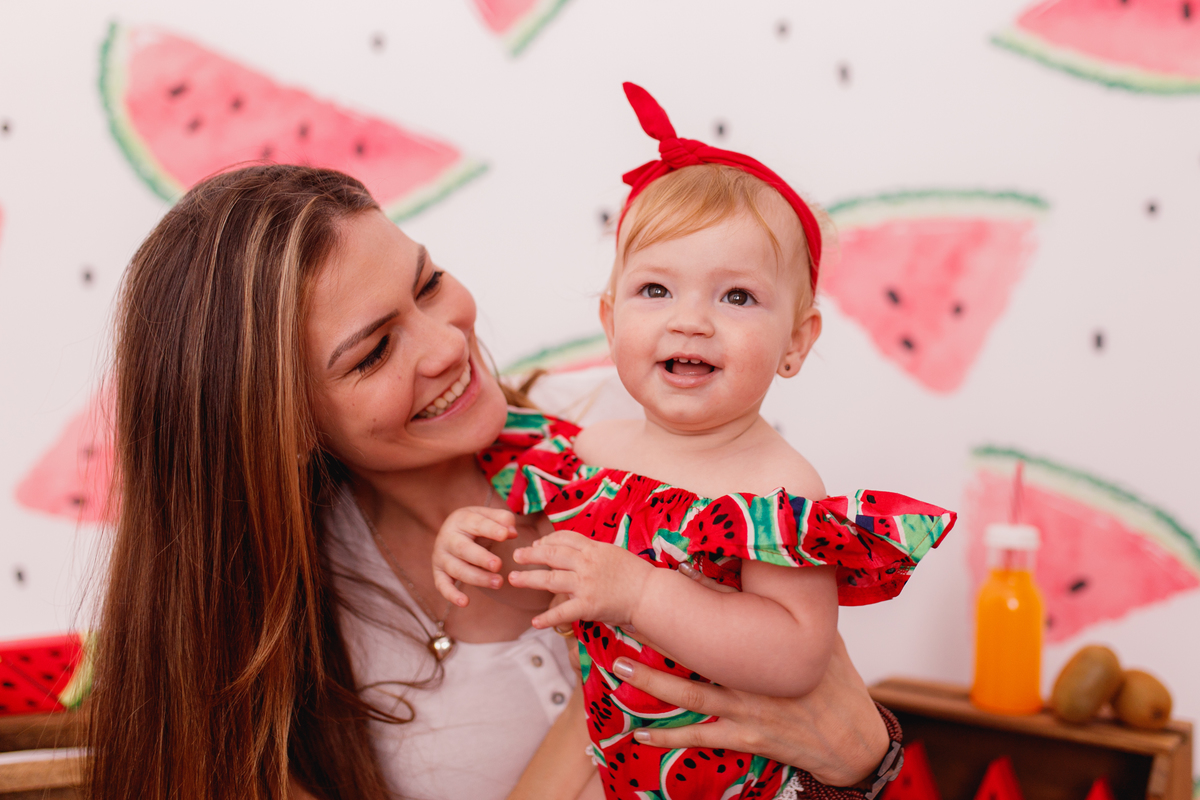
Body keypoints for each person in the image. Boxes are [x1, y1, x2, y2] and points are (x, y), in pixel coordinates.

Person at [87, 163, 905, 800]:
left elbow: (813, 721)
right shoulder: (284, 614)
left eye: (428, 283)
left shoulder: (616, 450)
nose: (444, 344)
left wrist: (861, 762)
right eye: (373, 352)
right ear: (280, 424)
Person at [431, 85, 955, 799]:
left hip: (734, 780)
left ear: (796, 342)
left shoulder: (777, 490)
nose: (691, 322)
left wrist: (641, 592)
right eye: (657, 291)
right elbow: (559, 563)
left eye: (735, 296)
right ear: (611, 321)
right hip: (612, 754)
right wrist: (478, 539)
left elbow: (796, 656)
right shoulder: (594, 451)